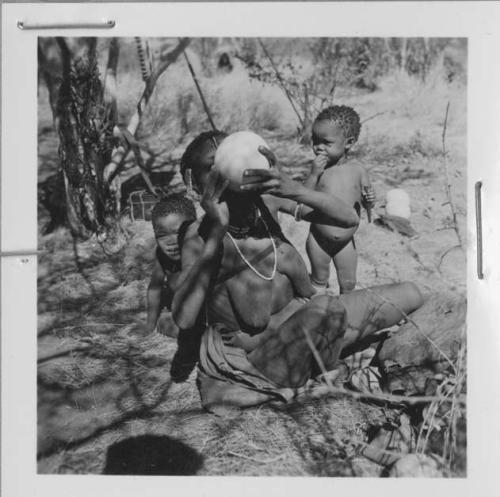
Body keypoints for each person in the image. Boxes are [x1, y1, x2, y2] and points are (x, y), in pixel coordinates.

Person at [171, 137, 424, 414]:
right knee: (324, 307)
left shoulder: (265, 203)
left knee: (411, 293)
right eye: (215, 167)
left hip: (316, 325)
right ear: (194, 185)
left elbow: (348, 220)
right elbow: (184, 317)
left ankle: (326, 359)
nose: (230, 171)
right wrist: (216, 236)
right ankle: (329, 369)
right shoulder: (200, 235)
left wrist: (293, 189)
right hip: (265, 359)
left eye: (234, 159)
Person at [304, 105, 376, 294]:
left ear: (348, 143)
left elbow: (368, 208)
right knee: (318, 281)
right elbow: (302, 198)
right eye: (315, 140)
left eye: (326, 143)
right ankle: (315, 313)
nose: (318, 147)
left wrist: (370, 201)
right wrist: (313, 175)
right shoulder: (318, 170)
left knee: (349, 283)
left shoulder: (358, 171)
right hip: (318, 239)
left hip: (346, 242)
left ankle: (346, 316)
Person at [142, 194, 203, 382]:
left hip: (212, 317)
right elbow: (154, 288)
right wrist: (149, 325)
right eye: (161, 235)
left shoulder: (205, 251)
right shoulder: (162, 256)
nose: (170, 241)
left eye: (178, 232)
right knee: (164, 324)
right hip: (186, 319)